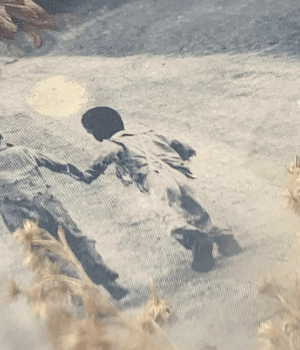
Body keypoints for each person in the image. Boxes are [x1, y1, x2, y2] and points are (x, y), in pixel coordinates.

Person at [0, 119, 127, 300]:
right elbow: (61, 165)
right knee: (77, 240)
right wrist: (84, 176)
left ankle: (82, 295)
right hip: (47, 203)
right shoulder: (22, 151)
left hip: (16, 214)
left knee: (48, 252)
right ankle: (108, 282)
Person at [79, 106, 240, 274]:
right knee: (195, 210)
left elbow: (96, 166)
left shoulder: (113, 144)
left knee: (168, 216)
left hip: (156, 180)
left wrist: (84, 174)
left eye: (91, 131)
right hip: (180, 177)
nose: (92, 135)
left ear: (98, 130)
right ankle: (225, 240)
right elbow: (182, 147)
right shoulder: (147, 134)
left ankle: (195, 239)